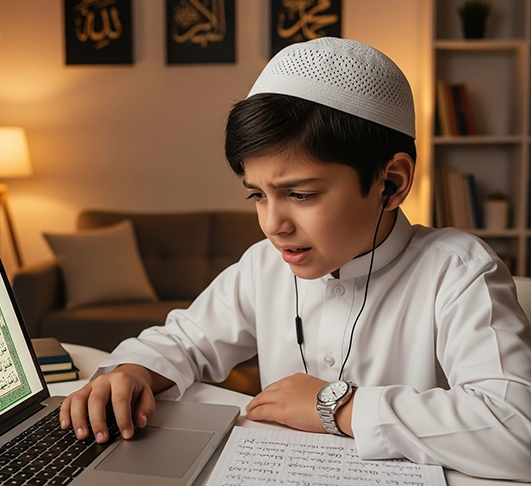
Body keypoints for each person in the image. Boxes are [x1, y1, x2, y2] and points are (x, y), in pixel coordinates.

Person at [60, 37, 531, 481]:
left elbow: (518, 431)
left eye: (301, 194)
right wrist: (132, 372)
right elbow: (186, 340)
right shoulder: (264, 265)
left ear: (391, 182)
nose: (273, 224)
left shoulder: (459, 271)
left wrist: (338, 406)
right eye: (257, 196)